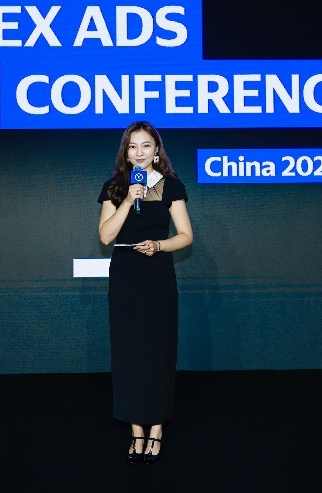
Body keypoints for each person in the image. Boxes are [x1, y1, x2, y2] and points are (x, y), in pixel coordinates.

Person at [98, 121, 193, 465]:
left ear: (156, 151)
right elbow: (105, 236)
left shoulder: (171, 186)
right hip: (126, 276)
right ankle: (136, 428)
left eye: (146, 146)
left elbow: (186, 235)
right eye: (132, 146)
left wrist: (158, 245)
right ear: (126, 152)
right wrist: (127, 200)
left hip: (157, 274)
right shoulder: (114, 187)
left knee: (157, 349)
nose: (139, 152)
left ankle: (157, 429)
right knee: (129, 351)